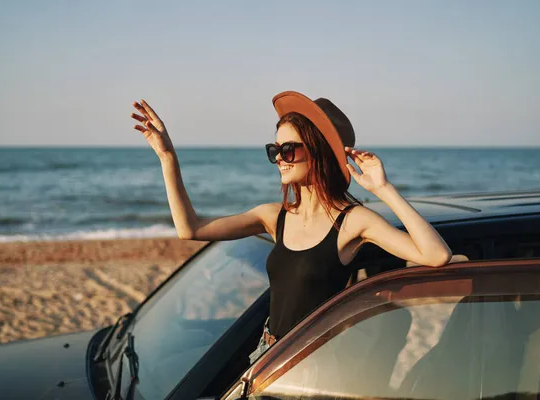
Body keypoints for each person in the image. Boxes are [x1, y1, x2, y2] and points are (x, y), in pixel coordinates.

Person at [130, 90, 452, 364]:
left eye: (289, 149)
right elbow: (191, 228)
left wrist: (383, 189)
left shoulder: (353, 221)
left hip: (313, 363)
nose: (280, 159)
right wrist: (167, 157)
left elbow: (436, 255)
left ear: (320, 152)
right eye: (275, 151)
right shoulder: (274, 216)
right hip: (266, 354)